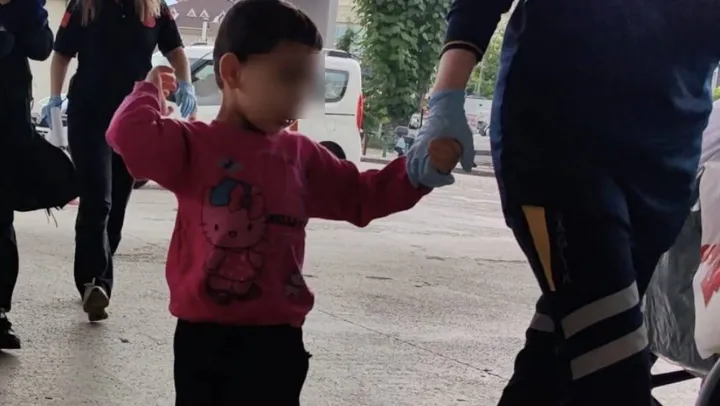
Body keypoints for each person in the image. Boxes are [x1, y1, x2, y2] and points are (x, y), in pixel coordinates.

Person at [105, 1, 458, 403]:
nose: (298, 96)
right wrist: (148, 91)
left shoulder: (301, 157)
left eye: (306, 81)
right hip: (205, 341)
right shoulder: (193, 146)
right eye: (288, 76)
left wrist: (418, 171)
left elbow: (361, 196)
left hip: (278, 342)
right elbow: (128, 135)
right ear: (232, 72)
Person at [406, 0, 720, 405]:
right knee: (613, 371)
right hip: (559, 143)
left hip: (665, 170)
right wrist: (445, 99)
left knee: (554, 366)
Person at [42, 0, 197, 322]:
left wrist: (186, 83)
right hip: (89, 113)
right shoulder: (85, 5)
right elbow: (61, 53)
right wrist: (55, 98)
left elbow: (175, 49)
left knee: (116, 205)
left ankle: (97, 276)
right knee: (97, 198)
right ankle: (94, 282)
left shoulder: (153, 8)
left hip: (133, 117)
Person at [0, 0, 54, 350]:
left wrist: (30, 11)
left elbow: (42, 47)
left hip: (8, 127)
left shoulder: (23, 7)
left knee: (1, 221)